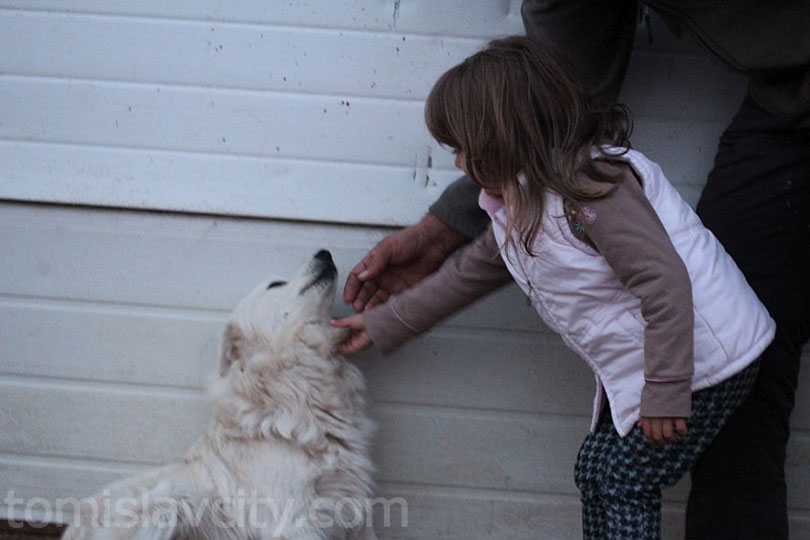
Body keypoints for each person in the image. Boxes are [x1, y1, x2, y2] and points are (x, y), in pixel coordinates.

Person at [342, 2, 810, 538]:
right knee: (596, 470)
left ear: (506, 142)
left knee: (624, 479)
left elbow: (666, 282)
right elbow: (470, 273)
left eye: (463, 151)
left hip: (709, 361)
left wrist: (664, 389)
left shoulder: (594, 190)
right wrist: (384, 323)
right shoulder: (526, 203)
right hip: (667, 363)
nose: (458, 166)